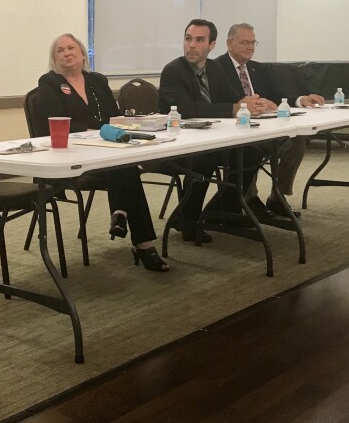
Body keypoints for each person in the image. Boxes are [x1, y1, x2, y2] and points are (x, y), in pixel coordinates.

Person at [35, 33, 169, 272]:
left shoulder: (97, 81)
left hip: (106, 152)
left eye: (71, 48)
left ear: (83, 53)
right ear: (54, 58)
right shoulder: (49, 84)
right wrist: (96, 132)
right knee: (126, 169)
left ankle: (124, 218)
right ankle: (140, 240)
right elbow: (55, 123)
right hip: (74, 157)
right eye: (60, 50)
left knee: (123, 164)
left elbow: (113, 116)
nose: (67, 53)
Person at [157, 19, 270, 237]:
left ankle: (223, 210)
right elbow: (187, 110)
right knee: (203, 159)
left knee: (250, 153)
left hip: (211, 136)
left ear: (212, 45)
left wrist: (252, 103)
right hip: (178, 143)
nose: (191, 45)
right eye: (188, 39)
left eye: (199, 40)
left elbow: (232, 99)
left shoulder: (215, 68)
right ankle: (186, 219)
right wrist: (235, 108)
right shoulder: (173, 71)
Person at [214, 23, 325, 217]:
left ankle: (278, 196)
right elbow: (217, 102)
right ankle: (249, 198)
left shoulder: (258, 69)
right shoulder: (215, 68)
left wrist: (300, 99)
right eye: (244, 42)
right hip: (235, 130)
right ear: (229, 44)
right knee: (251, 147)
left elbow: (276, 95)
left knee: (297, 141)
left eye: (253, 42)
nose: (250, 47)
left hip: (264, 125)